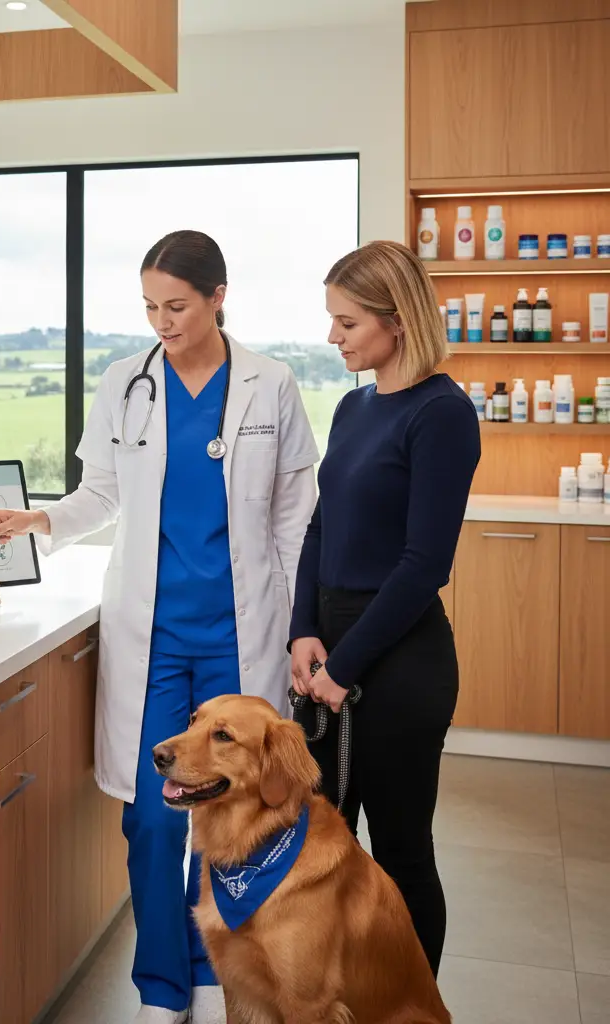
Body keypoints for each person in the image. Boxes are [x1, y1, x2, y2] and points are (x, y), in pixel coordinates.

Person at [0, 230, 319, 1024]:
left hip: (240, 636)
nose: (162, 322)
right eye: (151, 306)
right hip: (154, 639)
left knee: (233, 813)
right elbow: (101, 495)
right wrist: (39, 520)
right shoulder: (126, 382)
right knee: (155, 818)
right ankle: (162, 985)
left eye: (178, 306)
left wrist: (302, 625)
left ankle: (211, 971)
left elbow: (296, 517)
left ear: (218, 297)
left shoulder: (270, 383)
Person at [288, 239, 481, 978]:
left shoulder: (442, 413)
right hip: (330, 651)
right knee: (322, 844)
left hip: (398, 664)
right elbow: (321, 524)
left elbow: (424, 565)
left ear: (397, 320)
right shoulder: (353, 406)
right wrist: (304, 631)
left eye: (347, 323)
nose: (332, 337)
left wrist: (344, 666)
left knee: (400, 853)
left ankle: (410, 1007)